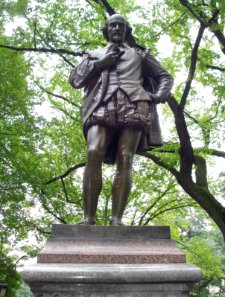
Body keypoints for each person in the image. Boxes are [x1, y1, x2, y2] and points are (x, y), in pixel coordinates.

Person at [69, 14, 173, 225]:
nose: (116, 28)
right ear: (106, 29)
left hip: (134, 105)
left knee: (126, 158)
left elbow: (165, 76)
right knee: (93, 151)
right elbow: (75, 80)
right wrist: (100, 64)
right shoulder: (93, 54)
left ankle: (117, 219)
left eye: (121, 25)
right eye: (112, 25)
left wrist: (157, 96)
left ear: (127, 30)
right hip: (101, 104)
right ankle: (88, 217)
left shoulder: (139, 54)